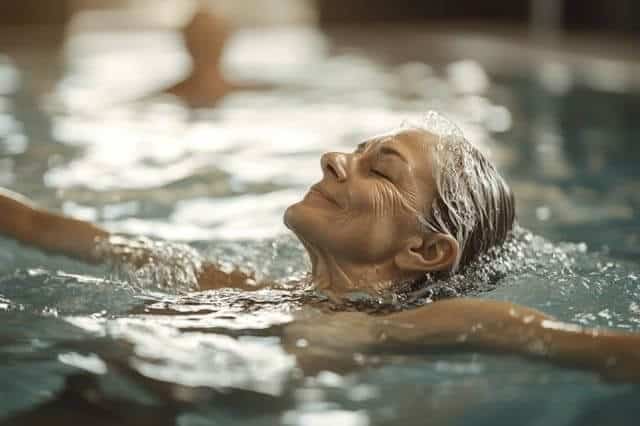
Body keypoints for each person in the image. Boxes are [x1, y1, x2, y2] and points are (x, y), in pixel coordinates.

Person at [1, 112, 639, 381]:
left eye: (379, 169)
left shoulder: (440, 321)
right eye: (355, 150)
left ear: (425, 251)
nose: (336, 160)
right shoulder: (245, 290)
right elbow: (56, 233)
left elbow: (597, 349)